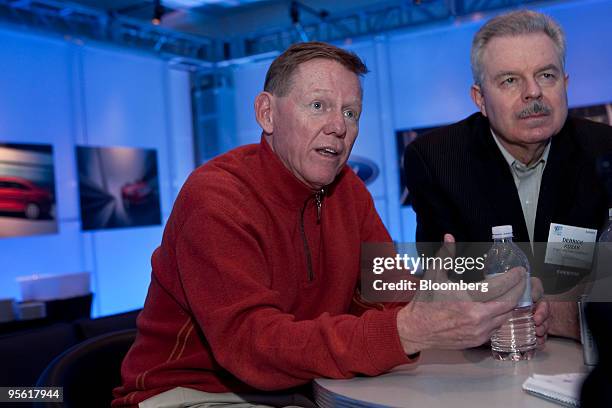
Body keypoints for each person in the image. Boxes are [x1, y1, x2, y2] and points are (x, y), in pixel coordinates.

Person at [113, 41, 545, 408]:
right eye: (318, 106)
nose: (338, 127)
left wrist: (452, 298)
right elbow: (253, 347)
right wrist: (409, 326)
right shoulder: (216, 197)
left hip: (303, 387)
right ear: (266, 113)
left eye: (351, 113)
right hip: (193, 393)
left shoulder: (348, 190)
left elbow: (386, 294)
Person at [404, 10, 612, 340]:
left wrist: (562, 313)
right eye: (510, 80)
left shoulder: (603, 150)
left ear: (566, 84)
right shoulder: (437, 160)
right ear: (480, 99)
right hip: (489, 359)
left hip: (583, 354)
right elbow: (449, 286)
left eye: (546, 75)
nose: (533, 93)